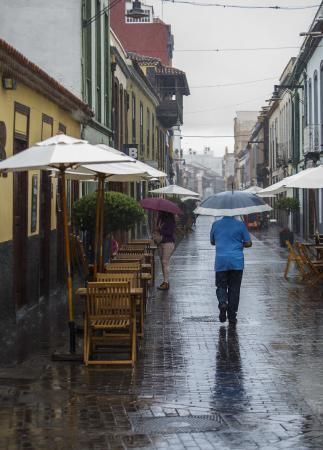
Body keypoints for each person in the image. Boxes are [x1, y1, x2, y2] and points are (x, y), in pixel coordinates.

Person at [210, 215, 252, 325]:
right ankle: (232, 316)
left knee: (221, 285)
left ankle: (223, 303)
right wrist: (240, 244)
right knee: (234, 289)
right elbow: (248, 243)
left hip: (221, 261)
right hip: (236, 262)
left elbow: (212, 242)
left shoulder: (215, 224)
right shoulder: (240, 225)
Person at [156, 211, 176, 290]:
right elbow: (157, 229)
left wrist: (160, 230)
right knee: (162, 262)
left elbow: (170, 232)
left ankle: (166, 282)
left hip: (169, 242)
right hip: (161, 242)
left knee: (165, 261)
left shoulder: (170, 220)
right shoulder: (160, 219)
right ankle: (165, 281)